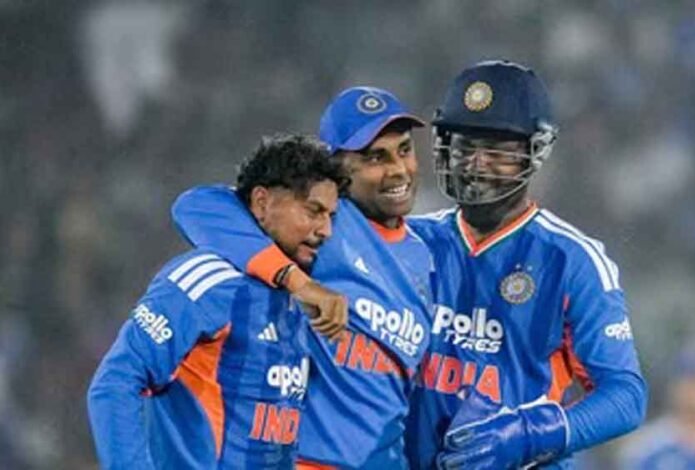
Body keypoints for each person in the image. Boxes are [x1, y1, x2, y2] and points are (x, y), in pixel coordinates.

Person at [172, 60, 648, 469]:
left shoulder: (573, 260)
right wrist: (295, 281)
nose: (477, 164)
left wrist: (529, 433)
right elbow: (204, 207)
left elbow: (626, 396)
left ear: (534, 152)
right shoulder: (407, 241)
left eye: (498, 152)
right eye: (464, 147)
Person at [171, 87, 433, 469]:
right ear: (337, 168)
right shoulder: (322, 226)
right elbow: (197, 206)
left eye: (404, 150)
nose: (397, 169)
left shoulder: (425, 254)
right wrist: (299, 282)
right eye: (375, 157)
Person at [87, 134, 348, 469]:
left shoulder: (299, 298)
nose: (325, 230)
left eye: (330, 216)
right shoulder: (209, 279)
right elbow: (116, 383)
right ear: (262, 202)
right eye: (313, 211)